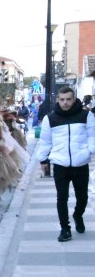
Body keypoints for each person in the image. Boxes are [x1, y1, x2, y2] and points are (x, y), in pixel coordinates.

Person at [36, 86, 95, 242]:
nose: (65, 103)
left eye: (68, 99)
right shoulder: (51, 118)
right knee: (62, 198)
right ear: (58, 100)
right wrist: (43, 159)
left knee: (82, 197)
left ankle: (77, 215)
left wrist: (89, 151)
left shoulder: (86, 115)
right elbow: (45, 141)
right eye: (62, 100)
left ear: (74, 99)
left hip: (80, 163)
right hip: (60, 164)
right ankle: (65, 229)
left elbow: (92, 136)